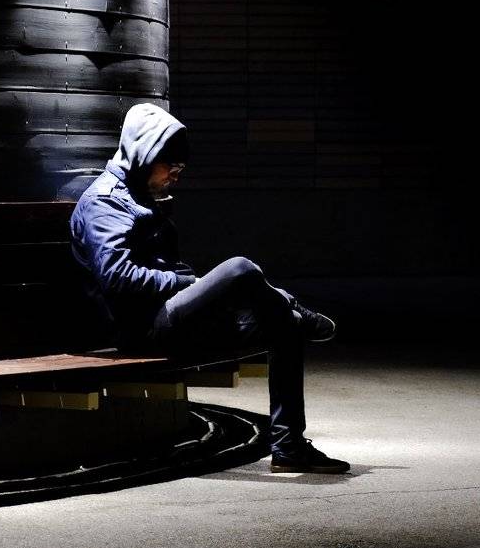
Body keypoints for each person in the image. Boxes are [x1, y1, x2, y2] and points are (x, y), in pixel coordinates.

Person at [69, 102, 350, 474]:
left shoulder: (140, 194)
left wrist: (198, 289)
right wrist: (191, 284)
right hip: (141, 329)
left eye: (180, 168)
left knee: (287, 324)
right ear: (143, 154)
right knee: (239, 269)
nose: (176, 175)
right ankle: (289, 302)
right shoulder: (105, 203)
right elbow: (118, 277)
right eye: (171, 166)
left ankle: (288, 448)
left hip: (171, 319)